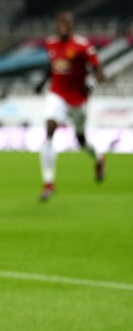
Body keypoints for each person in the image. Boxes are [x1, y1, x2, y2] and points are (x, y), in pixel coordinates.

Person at [34, 11, 106, 202]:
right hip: (57, 94)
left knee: (80, 140)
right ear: (57, 24)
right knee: (49, 131)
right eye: (61, 22)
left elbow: (99, 71)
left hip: (77, 99)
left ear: (72, 25)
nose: (63, 25)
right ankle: (49, 183)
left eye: (67, 22)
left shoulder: (83, 46)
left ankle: (98, 157)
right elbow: (53, 67)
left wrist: (90, 85)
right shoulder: (50, 43)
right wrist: (42, 83)